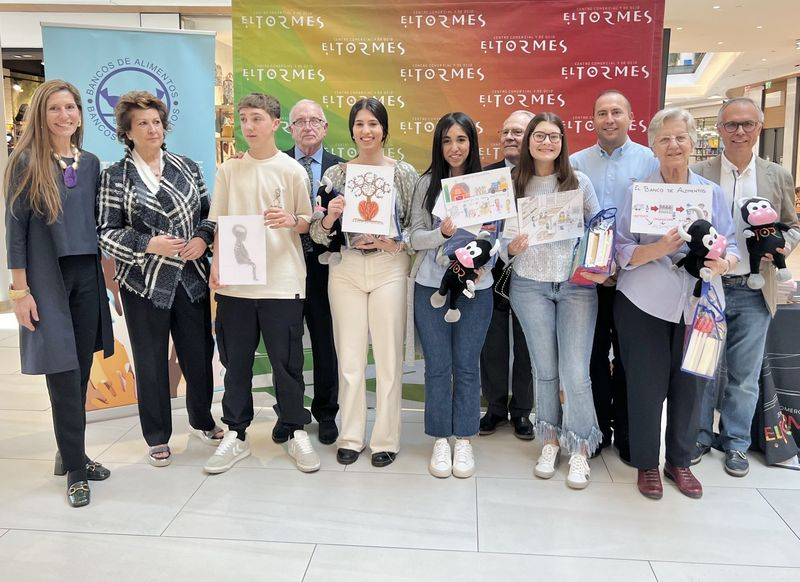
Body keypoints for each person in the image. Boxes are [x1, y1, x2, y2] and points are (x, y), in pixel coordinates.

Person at [614, 107, 739, 500]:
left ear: (692, 143)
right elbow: (619, 251)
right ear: (652, 146)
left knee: (691, 386)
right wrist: (658, 249)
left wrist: (725, 261)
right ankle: (647, 463)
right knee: (645, 385)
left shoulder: (710, 193)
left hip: (701, 305)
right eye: (665, 139)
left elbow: (731, 242)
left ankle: (679, 461)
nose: (674, 145)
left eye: (681, 137)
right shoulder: (638, 192)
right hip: (643, 304)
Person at [98, 91, 222, 468]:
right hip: (143, 283)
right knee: (150, 361)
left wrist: (202, 239)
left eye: (156, 122)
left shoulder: (187, 166)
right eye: (142, 124)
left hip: (190, 277)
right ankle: (156, 435)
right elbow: (103, 231)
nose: (152, 129)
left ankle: (202, 419)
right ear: (127, 132)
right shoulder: (114, 176)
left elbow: (209, 213)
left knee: (198, 355)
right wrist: (148, 244)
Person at [5, 79, 114, 507]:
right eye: (54, 108)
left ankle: (70, 450)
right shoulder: (25, 162)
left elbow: (96, 226)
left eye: (71, 107)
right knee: (62, 374)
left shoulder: (89, 163)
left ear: (80, 114)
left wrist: (109, 277)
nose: (64, 115)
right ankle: (75, 469)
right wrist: (19, 292)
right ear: (41, 114)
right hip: (48, 279)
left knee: (81, 371)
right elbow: (15, 232)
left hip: (86, 276)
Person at [205, 92, 317, 474]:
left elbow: (307, 221)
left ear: (275, 124)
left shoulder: (292, 171)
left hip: (283, 283)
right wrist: (216, 268)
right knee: (236, 364)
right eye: (244, 119)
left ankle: (295, 428)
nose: (249, 127)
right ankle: (237, 434)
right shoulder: (229, 170)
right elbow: (217, 221)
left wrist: (292, 220)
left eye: (256, 119)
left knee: (287, 364)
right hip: (236, 286)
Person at [691, 97, 800, 476]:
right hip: (710, 287)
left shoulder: (776, 175)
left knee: (744, 374)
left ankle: (736, 442)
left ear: (759, 128)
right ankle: (700, 436)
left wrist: (785, 245)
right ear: (719, 129)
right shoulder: (698, 171)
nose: (739, 132)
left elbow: (790, 224)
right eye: (731, 125)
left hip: (756, 288)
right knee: (703, 367)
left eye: (747, 125)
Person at [310, 98, 417, 468]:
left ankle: (386, 438)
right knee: (350, 358)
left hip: (389, 266)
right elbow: (316, 234)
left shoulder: (403, 173)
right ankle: (351, 436)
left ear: (384, 129)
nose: (366, 130)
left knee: (388, 357)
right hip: (347, 269)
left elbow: (415, 229)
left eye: (373, 123)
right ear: (351, 130)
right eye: (359, 124)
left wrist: (395, 242)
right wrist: (329, 220)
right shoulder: (336, 176)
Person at [506, 112, 606, 490]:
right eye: (539, 136)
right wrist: (508, 248)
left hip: (576, 287)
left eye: (553, 136)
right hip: (529, 285)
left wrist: (599, 260)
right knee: (543, 370)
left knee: (575, 372)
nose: (546, 143)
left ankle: (580, 447)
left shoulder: (578, 182)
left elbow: (600, 226)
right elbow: (497, 238)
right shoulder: (514, 183)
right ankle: (549, 440)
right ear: (528, 141)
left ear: (562, 142)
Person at [570, 90, 660, 461]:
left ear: (630, 117)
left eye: (616, 112)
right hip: (588, 279)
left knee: (628, 359)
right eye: (602, 113)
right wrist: (596, 268)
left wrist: (619, 264)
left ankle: (626, 434)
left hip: (635, 276)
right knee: (590, 358)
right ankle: (597, 430)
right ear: (592, 119)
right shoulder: (574, 163)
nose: (609, 119)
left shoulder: (650, 161)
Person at [409, 112, 497, 478]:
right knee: (437, 366)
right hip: (431, 285)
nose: (454, 148)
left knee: (466, 364)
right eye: (447, 140)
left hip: (477, 287)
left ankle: (464, 438)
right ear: (438, 145)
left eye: (461, 140)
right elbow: (413, 237)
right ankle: (440, 439)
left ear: (471, 144)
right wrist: (441, 236)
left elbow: (498, 236)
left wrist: (483, 260)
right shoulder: (426, 183)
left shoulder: (488, 184)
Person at [278, 99, 345, 446]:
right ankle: (288, 413)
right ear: (289, 128)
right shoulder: (274, 165)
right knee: (284, 345)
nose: (307, 126)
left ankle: (327, 413)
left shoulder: (342, 169)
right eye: (299, 121)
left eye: (314, 120)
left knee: (324, 343)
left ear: (325, 127)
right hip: (282, 266)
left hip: (325, 269)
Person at [479, 110, 535, 440]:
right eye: (506, 132)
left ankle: (523, 411)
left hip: (532, 272)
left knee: (527, 345)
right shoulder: (484, 177)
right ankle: (496, 408)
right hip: (492, 271)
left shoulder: (545, 177)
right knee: (493, 344)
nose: (511, 137)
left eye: (519, 131)